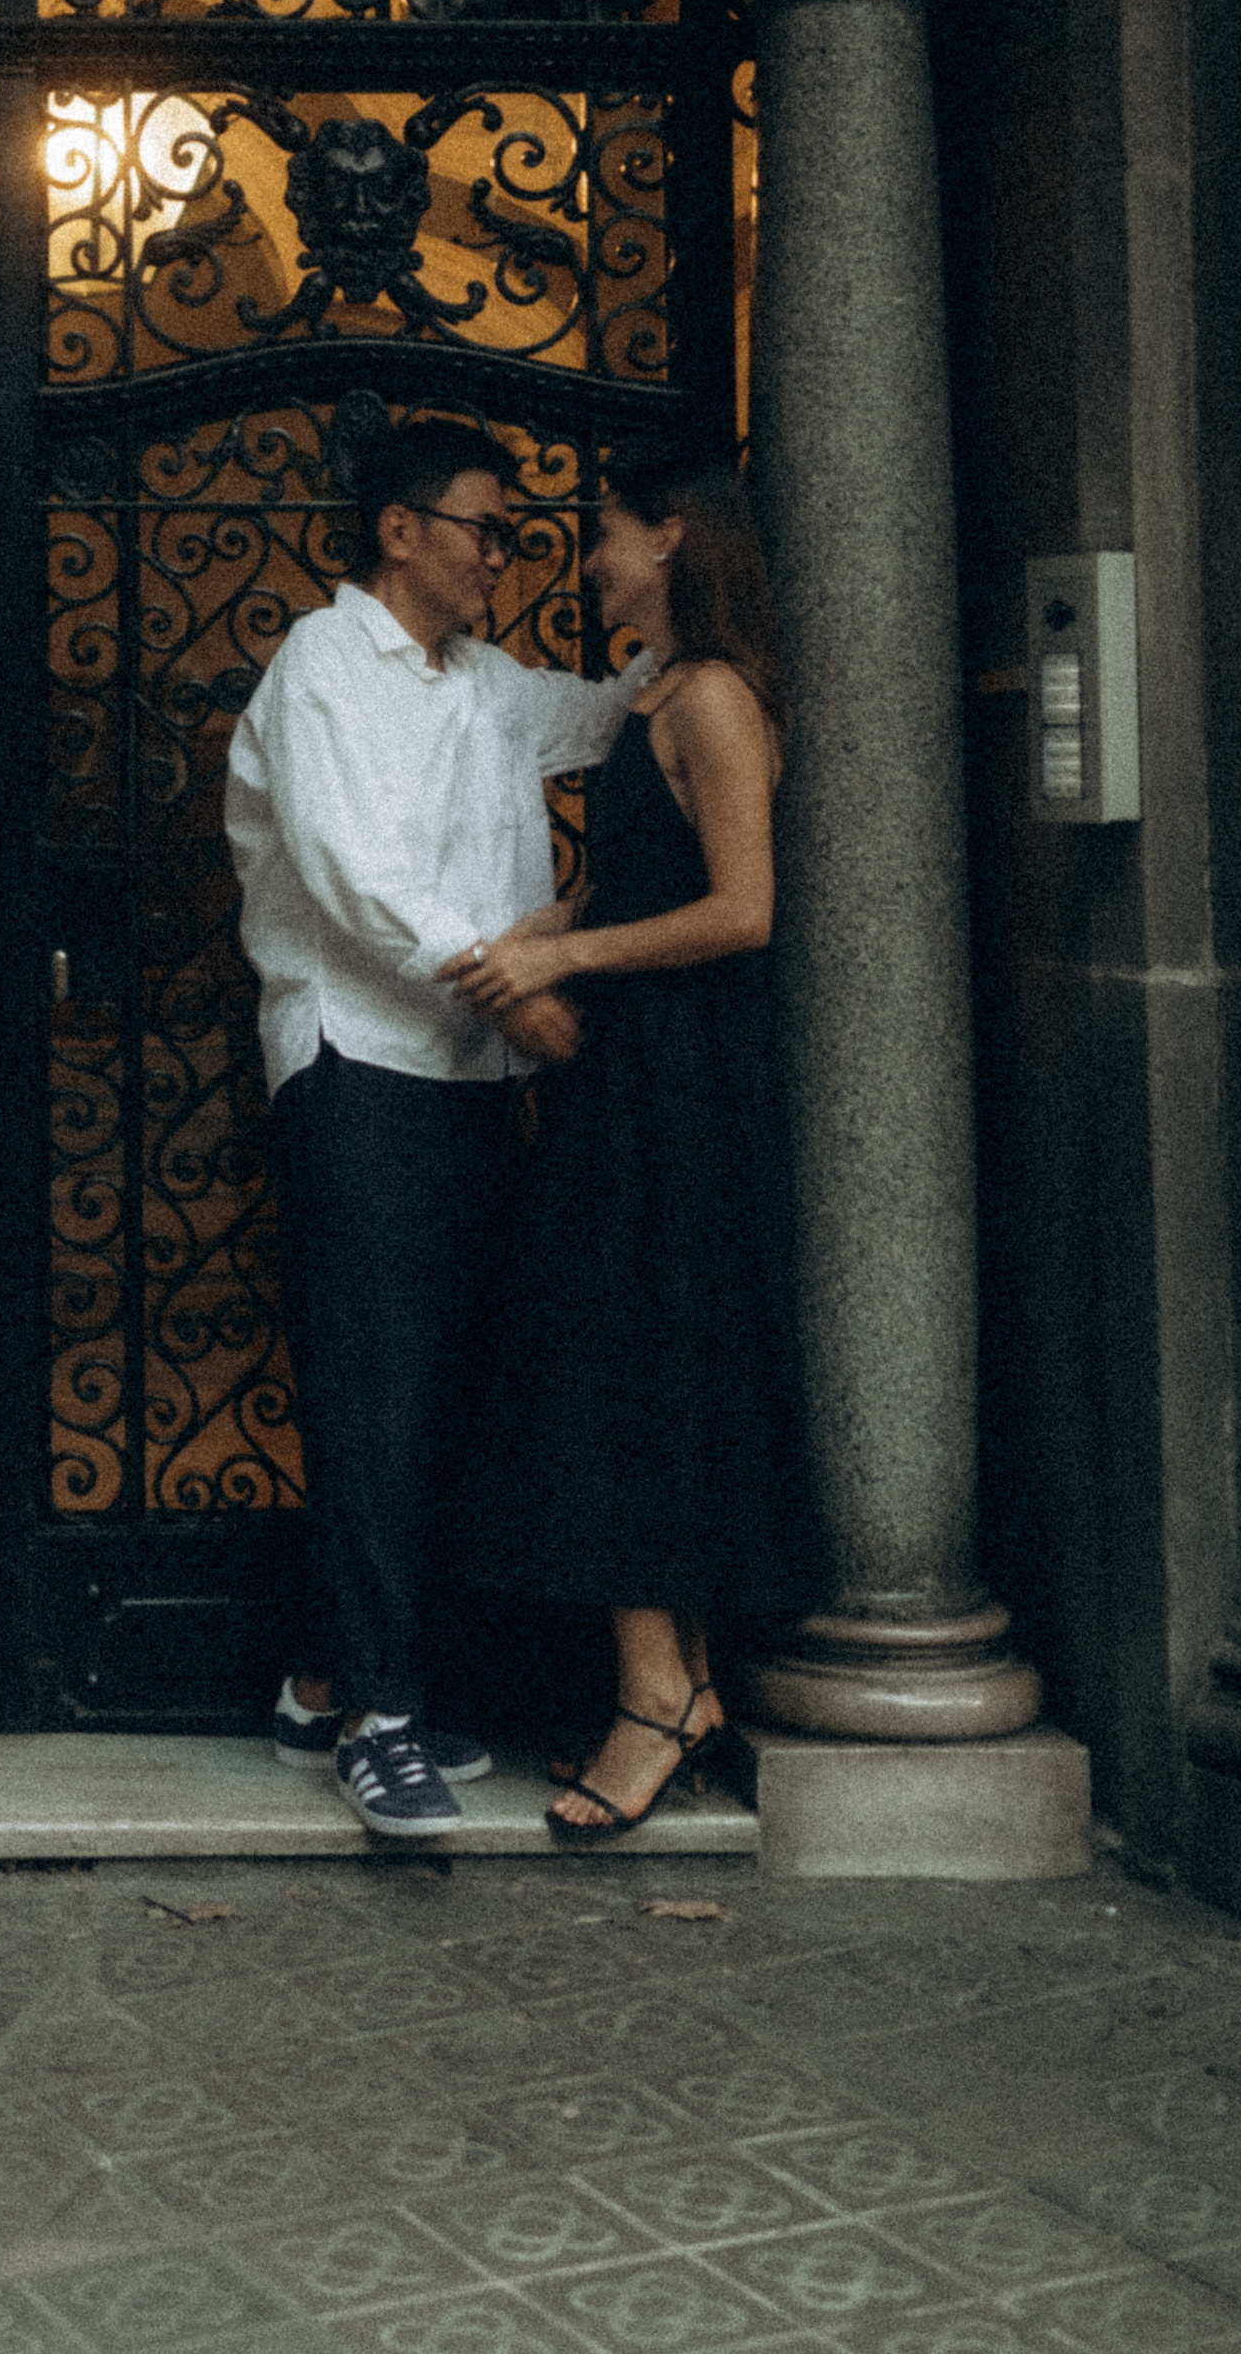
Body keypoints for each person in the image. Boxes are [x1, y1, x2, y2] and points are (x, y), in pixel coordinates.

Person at [227, 417, 651, 1838]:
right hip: (361, 1065)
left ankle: (318, 1684)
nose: (504, 557)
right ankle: (383, 1721)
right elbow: (354, 874)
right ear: (399, 530)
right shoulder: (323, 665)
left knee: (443, 1394)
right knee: (377, 1393)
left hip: (471, 1079)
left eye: (518, 535)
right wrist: (515, 986)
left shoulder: (486, 683)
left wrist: (688, 605)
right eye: (487, 529)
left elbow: (607, 718)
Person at [440, 450, 819, 1840]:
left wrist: (570, 954)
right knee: (635, 1367)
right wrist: (520, 939)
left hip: (686, 1087)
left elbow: (743, 909)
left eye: (602, 534)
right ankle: (682, 1685)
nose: (587, 561)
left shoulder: (712, 696)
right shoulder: (656, 691)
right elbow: (625, 884)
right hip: (635, 1082)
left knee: (624, 1375)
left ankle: (654, 1698)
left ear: (669, 537)